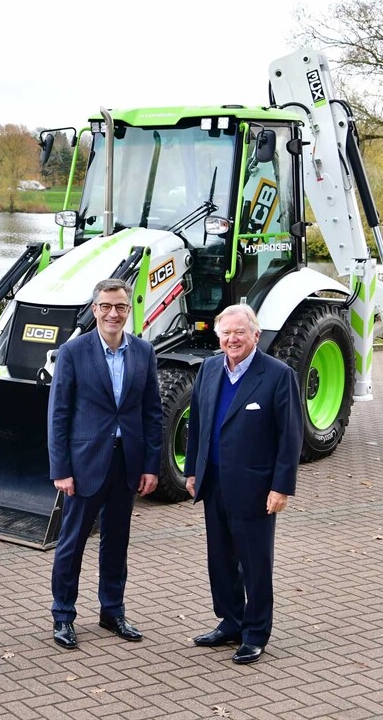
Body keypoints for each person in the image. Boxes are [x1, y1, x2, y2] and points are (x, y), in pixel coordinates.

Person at [48, 278, 163, 650]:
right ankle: (63, 615)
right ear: (95, 309)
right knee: (72, 543)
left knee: (117, 543)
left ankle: (112, 611)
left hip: (127, 464)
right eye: (106, 306)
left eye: (121, 307)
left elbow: (152, 413)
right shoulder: (73, 352)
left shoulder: (144, 352)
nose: (114, 313)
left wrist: (150, 465)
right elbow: (59, 414)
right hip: (84, 466)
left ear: (129, 310)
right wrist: (60, 470)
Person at [184, 303, 302, 665]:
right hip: (213, 481)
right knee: (219, 559)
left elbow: (290, 436)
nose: (232, 339)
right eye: (226, 333)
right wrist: (192, 471)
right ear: (218, 336)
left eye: (239, 332)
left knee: (254, 563)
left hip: (255, 487)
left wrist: (281, 487)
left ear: (256, 335)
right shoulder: (208, 369)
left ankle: (255, 633)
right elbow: (198, 423)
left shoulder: (278, 375)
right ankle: (231, 621)